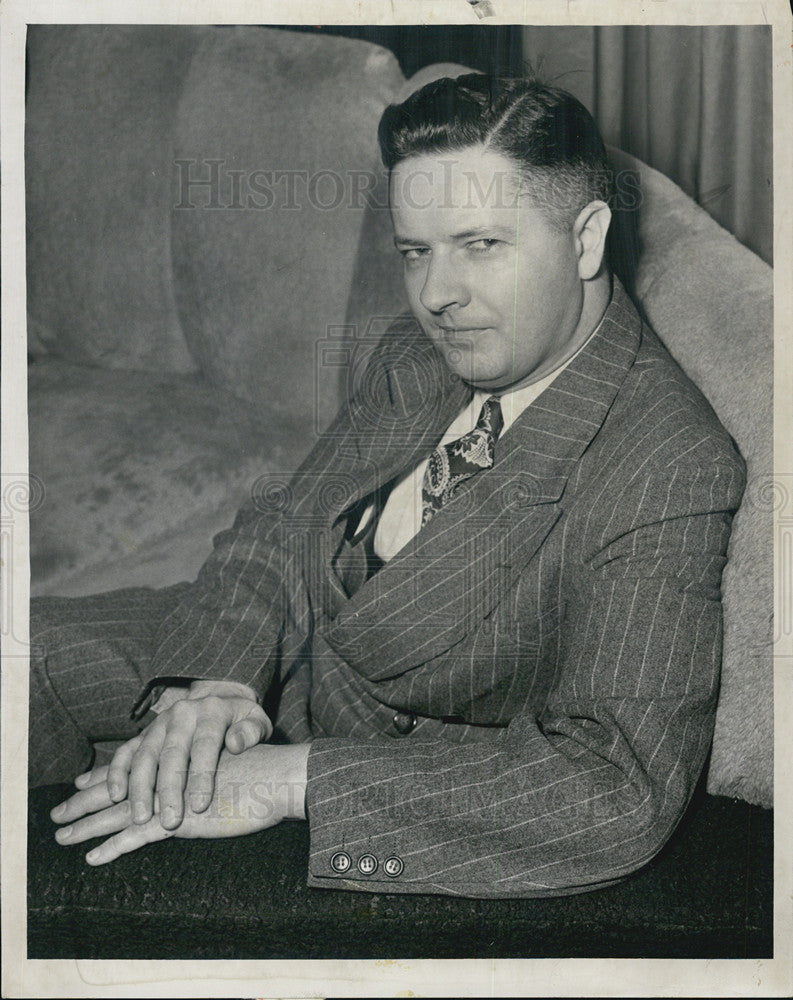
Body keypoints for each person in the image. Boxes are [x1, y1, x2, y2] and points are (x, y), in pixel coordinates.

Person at [30, 74, 745, 897]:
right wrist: (216, 682)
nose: (436, 295)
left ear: (586, 239)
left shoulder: (666, 460)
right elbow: (286, 520)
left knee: (82, 893)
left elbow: (617, 789)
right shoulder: (426, 348)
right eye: (416, 251)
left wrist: (287, 780)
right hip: (282, 663)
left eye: (481, 245)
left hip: (390, 779)